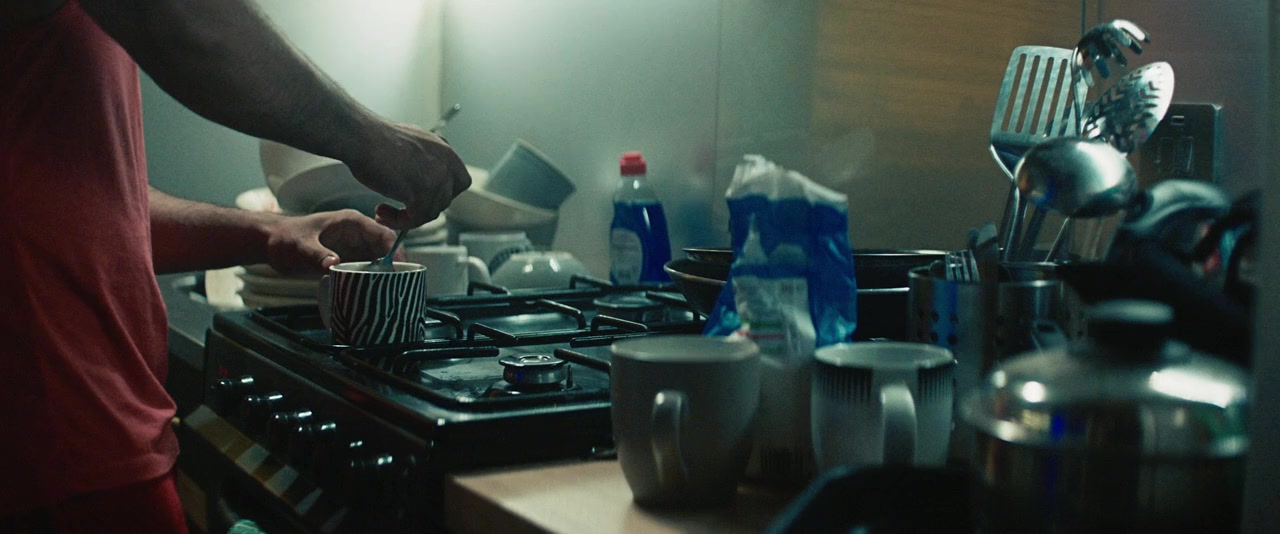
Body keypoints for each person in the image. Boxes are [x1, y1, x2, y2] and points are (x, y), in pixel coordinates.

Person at [0, 0, 472, 531]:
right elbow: (180, 20)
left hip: (73, 430)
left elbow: (95, 203)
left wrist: (269, 233)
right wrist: (372, 140)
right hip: (52, 438)